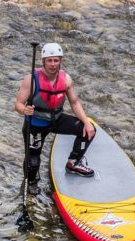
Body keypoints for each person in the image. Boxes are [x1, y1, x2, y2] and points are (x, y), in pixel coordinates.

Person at [13, 43, 96, 195]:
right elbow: (18, 104)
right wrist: (24, 110)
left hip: (56, 120)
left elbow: (74, 102)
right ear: (43, 61)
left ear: (60, 61)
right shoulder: (30, 80)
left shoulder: (66, 79)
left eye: (56, 60)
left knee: (87, 131)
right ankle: (30, 182)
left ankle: (73, 163)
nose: (52, 64)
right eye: (49, 60)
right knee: (33, 161)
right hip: (36, 124)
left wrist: (86, 122)